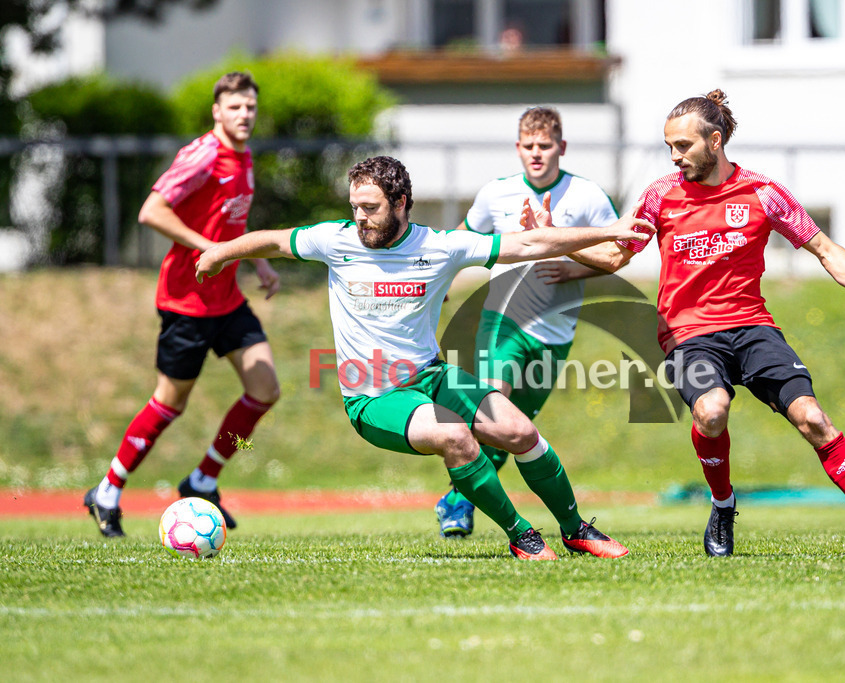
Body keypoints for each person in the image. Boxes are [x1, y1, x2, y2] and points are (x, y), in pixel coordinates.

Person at [195, 155, 651, 560]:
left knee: (520, 431)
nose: (360, 219)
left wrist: (609, 230)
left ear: (401, 202)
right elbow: (272, 241)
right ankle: (521, 534)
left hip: (430, 376)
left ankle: (576, 531)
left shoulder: (439, 246)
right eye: (354, 207)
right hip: (374, 397)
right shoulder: (334, 241)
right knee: (456, 437)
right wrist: (219, 253)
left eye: (370, 208)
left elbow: (528, 245)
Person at [542, 89, 845, 556]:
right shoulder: (661, 195)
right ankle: (723, 504)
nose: (675, 157)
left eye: (683, 146)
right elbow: (614, 255)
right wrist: (556, 239)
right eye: (670, 147)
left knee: (813, 418)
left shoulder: (762, 192)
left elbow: (823, 248)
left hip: (752, 327)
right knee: (712, 411)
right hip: (688, 333)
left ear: (715, 141)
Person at [83, 72, 280, 537]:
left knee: (265, 390)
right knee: (170, 403)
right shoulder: (204, 154)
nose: (244, 115)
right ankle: (107, 490)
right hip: (187, 301)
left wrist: (254, 263)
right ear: (217, 111)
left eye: (250, 107)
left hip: (227, 299)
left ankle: (204, 478)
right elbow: (151, 211)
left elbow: (231, 220)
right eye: (235, 107)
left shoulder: (244, 155)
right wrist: (205, 249)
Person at [434, 106, 619, 538]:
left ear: (562, 147)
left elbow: (618, 253)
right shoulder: (495, 194)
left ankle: (455, 496)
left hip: (556, 334)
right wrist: (443, 280)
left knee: (510, 430)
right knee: (493, 403)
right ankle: (463, 505)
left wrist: (575, 267)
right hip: (504, 322)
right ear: (518, 148)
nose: (537, 153)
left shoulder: (587, 195)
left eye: (545, 145)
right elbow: (463, 237)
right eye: (529, 146)